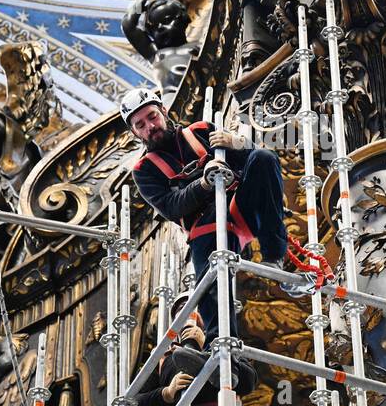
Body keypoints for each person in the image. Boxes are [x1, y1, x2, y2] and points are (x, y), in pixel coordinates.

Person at [121, 87, 302, 341]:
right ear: (135, 133)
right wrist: (204, 184)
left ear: (163, 111)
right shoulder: (144, 170)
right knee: (211, 281)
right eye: (140, 125)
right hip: (204, 228)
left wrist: (238, 144)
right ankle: (220, 347)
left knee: (263, 157)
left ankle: (275, 257)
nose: (150, 126)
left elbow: (254, 164)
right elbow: (171, 206)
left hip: (239, 206)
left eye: (152, 116)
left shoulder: (200, 131)